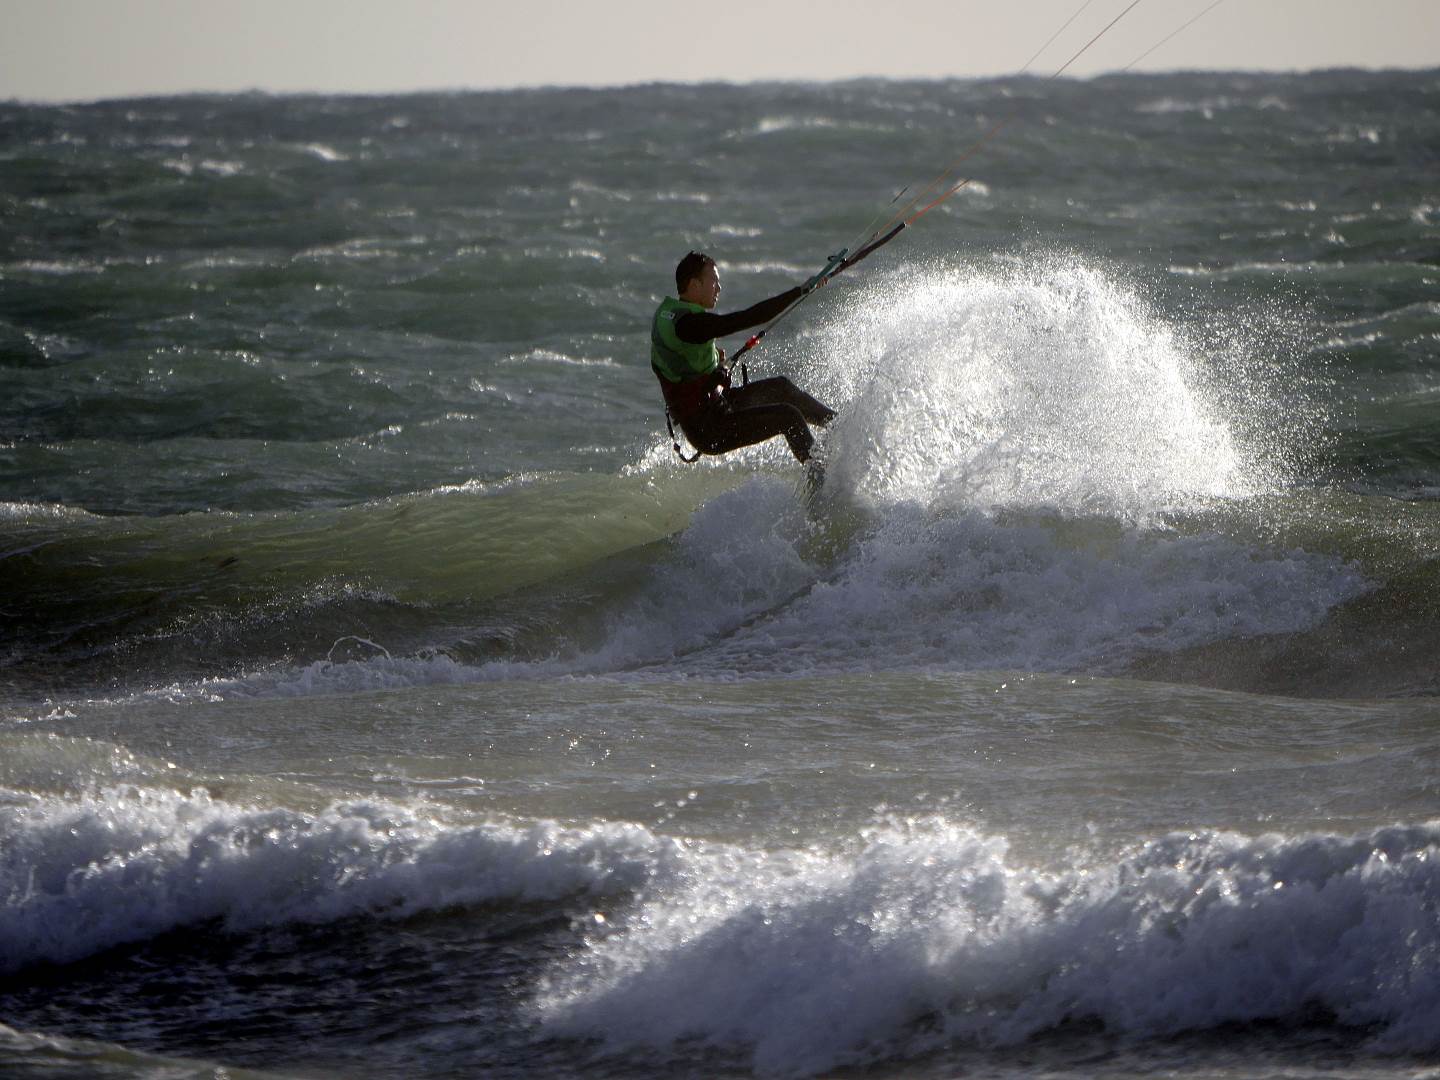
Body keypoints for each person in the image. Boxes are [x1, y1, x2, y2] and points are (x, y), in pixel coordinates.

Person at [650, 251, 835, 464]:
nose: (718, 288)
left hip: (720, 407)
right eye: (714, 281)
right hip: (709, 430)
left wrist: (715, 366)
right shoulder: (689, 325)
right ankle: (818, 478)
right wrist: (800, 291)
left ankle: (837, 425)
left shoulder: (677, 316)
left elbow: (687, 369)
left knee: (782, 388)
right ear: (694, 284)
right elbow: (746, 318)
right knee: (788, 416)